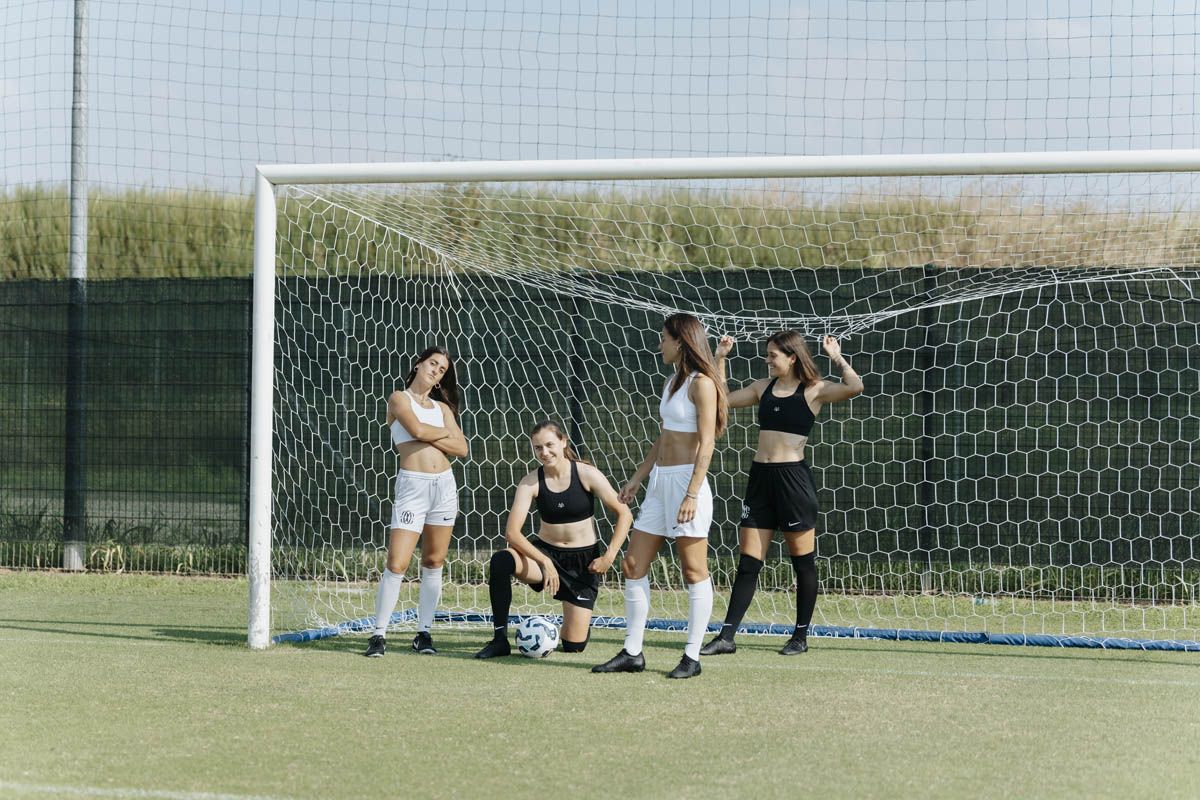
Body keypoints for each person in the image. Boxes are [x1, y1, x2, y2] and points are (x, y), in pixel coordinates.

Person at [700, 331, 863, 657]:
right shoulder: (762, 387)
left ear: (792, 357)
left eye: (773, 355)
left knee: (802, 562)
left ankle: (800, 637)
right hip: (760, 480)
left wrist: (836, 356)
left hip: (793, 482)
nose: (768, 360)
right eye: (768, 354)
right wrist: (720, 358)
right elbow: (722, 399)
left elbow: (855, 386)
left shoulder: (814, 390)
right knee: (748, 562)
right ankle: (726, 637)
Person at [592, 313, 727, 679]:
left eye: (663, 338)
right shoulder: (671, 382)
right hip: (659, 484)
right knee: (633, 565)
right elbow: (664, 438)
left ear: (680, 341)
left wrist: (692, 494)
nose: (659, 344)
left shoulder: (702, 384)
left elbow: (708, 443)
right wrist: (638, 478)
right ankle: (632, 652)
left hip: (687, 484)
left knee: (693, 570)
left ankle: (692, 657)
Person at [474, 421, 632, 658]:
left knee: (573, 646)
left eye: (549, 445)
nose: (544, 452)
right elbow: (512, 533)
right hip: (544, 555)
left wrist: (609, 557)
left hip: (582, 564)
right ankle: (499, 640)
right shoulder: (531, 482)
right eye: (538, 448)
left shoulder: (586, 473)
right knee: (501, 561)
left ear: (563, 442)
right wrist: (545, 561)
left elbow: (624, 514)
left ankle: (576, 619)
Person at [365, 346, 468, 658]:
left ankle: (423, 633)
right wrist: (444, 435)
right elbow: (417, 429)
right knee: (397, 563)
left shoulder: (443, 408)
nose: (436, 370)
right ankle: (378, 635)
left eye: (442, 369)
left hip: (444, 487)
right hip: (413, 486)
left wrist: (435, 434)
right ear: (419, 364)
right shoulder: (399, 399)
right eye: (432, 363)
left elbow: (462, 448)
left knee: (434, 561)